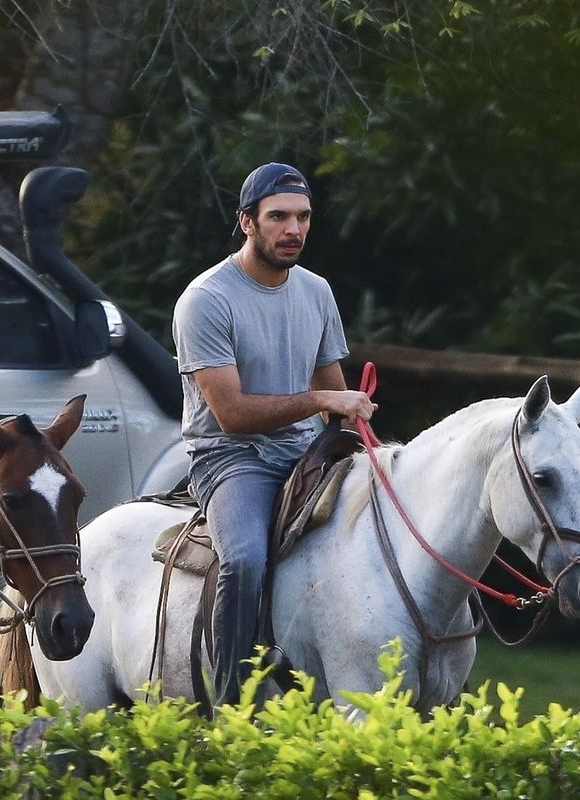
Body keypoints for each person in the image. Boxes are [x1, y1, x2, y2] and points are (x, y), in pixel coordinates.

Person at [171, 162, 375, 706]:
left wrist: (353, 432)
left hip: (304, 451)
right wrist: (320, 401)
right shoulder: (206, 299)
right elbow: (232, 415)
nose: (294, 230)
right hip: (230, 457)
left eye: (303, 218)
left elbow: (334, 395)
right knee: (244, 559)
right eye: (278, 217)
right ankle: (229, 704)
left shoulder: (316, 291)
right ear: (247, 222)